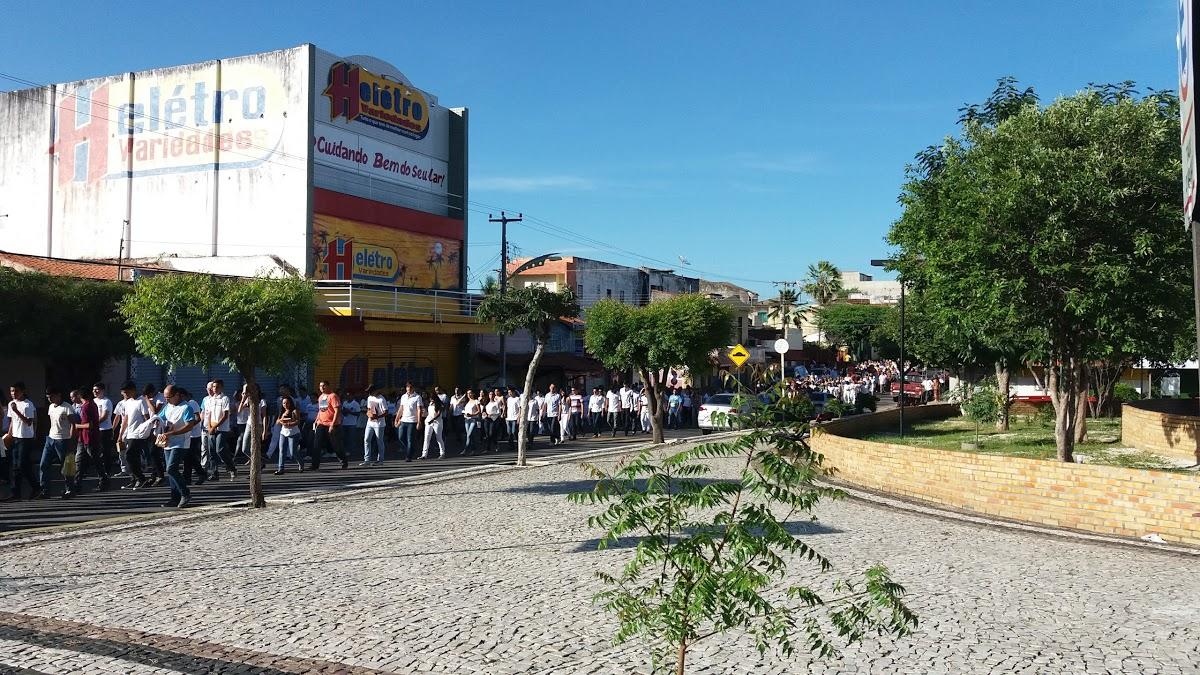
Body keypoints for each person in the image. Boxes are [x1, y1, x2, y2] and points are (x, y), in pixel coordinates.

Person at [156, 385, 199, 508]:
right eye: (165, 397)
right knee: (170, 471)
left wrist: (172, 432)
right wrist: (155, 421)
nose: (166, 400)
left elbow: (189, 425)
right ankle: (174, 498)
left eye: (168, 397)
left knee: (171, 469)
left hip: (180, 443)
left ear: (177, 395)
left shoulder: (186, 407)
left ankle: (185, 493)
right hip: (168, 442)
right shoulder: (168, 406)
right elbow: (160, 416)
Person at [114, 381, 152, 490]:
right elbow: (125, 419)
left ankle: (141, 478)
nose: (124, 395)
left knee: (129, 456)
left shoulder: (141, 401)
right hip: (129, 433)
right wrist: (120, 434)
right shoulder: (128, 403)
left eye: (126, 392)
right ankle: (134, 479)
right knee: (132, 457)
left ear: (133, 390)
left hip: (138, 434)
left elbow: (146, 418)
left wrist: (147, 431)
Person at [36, 388, 74, 499]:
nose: (50, 399)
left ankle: (69, 489)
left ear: (58, 395)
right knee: (44, 464)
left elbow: (73, 424)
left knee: (66, 466)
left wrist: (71, 441)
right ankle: (45, 490)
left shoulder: (67, 407)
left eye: (51, 396)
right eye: (48, 397)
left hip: (63, 439)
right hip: (51, 438)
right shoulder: (51, 407)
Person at [71, 388, 108, 493]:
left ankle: (104, 480)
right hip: (83, 438)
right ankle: (77, 484)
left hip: (89, 437)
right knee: (80, 461)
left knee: (95, 460)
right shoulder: (89, 405)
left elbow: (89, 424)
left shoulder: (87, 407)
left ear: (80, 396)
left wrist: (76, 425)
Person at [311, 380, 347, 471]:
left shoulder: (333, 396)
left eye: (324, 386)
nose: (322, 388)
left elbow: (337, 411)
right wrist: (316, 421)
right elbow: (321, 410)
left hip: (332, 424)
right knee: (316, 444)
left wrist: (332, 424)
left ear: (328, 386)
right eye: (320, 386)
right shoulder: (321, 397)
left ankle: (343, 461)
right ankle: (315, 465)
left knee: (336, 445)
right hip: (321, 423)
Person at [207, 380, 235, 480]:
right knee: (211, 451)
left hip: (222, 428)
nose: (215, 389)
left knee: (220, 449)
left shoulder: (224, 399)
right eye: (214, 387)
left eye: (217, 387)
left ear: (221, 388)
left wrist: (215, 426)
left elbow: (225, 415)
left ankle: (231, 466)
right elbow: (209, 414)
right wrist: (210, 427)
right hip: (212, 427)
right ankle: (214, 473)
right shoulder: (210, 400)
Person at [92, 383, 117, 477]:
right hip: (95, 429)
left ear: (102, 390)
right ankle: (100, 471)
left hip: (105, 430)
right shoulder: (93, 401)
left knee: (105, 451)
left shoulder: (106, 401)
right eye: (93, 389)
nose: (94, 391)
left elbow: (104, 416)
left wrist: (93, 424)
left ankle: (107, 471)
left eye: (97, 389)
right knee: (96, 451)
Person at [275, 395, 303, 475]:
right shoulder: (282, 411)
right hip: (283, 432)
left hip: (293, 433)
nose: (285, 405)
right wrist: (281, 421)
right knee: (282, 451)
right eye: (284, 403)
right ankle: (281, 468)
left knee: (292, 451)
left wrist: (289, 423)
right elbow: (278, 421)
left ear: (290, 403)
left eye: (287, 403)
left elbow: (298, 421)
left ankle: (301, 463)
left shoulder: (294, 411)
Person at [362, 385, 388, 466]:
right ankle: (367, 459)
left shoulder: (381, 399)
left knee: (379, 441)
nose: (370, 393)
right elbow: (369, 409)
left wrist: (378, 417)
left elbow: (386, 411)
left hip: (379, 424)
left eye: (371, 391)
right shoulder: (370, 397)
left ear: (376, 391)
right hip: (370, 422)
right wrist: (368, 413)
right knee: (366, 439)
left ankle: (380, 460)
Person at [395, 383, 422, 462]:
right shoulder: (403, 396)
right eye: (407, 387)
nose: (409, 388)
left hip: (412, 421)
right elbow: (401, 408)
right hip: (403, 420)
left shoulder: (417, 397)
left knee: (410, 439)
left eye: (410, 387)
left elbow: (419, 410)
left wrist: (419, 422)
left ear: (413, 388)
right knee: (401, 437)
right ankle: (411, 448)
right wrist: (397, 418)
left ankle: (408, 456)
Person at [421, 391, 446, 459]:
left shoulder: (439, 404)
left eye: (432, 398)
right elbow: (429, 413)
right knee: (426, 438)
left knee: (439, 438)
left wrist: (432, 420)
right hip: (429, 421)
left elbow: (438, 414)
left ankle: (442, 453)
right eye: (430, 398)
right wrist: (424, 414)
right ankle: (424, 455)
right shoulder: (430, 403)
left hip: (437, 422)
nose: (431, 399)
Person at [462, 390, 482, 456]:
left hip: (473, 419)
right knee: (471, 436)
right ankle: (473, 450)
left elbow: (479, 411)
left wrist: (472, 415)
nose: (469, 394)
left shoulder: (476, 401)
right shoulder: (467, 402)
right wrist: (465, 414)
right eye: (468, 393)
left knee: (469, 435)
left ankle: (465, 449)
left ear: (473, 393)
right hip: (467, 420)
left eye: (470, 393)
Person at [341, 390, 360, 459]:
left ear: (352, 396)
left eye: (349, 395)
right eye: (347, 395)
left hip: (352, 424)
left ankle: (352, 451)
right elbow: (343, 412)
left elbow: (358, 413)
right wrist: (345, 411)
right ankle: (345, 451)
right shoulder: (345, 403)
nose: (348, 397)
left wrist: (350, 412)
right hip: (344, 423)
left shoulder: (355, 404)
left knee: (351, 438)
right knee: (344, 438)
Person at [449, 387, 467, 452]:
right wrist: (450, 412)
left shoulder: (463, 397)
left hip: (460, 414)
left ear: (460, 391)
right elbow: (451, 405)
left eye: (458, 390)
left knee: (458, 427)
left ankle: (460, 439)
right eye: (455, 390)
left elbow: (459, 403)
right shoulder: (452, 397)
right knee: (455, 427)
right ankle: (458, 438)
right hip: (454, 414)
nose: (456, 391)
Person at [504, 387, 521, 453]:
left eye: (510, 392)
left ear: (514, 392)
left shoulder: (517, 399)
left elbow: (520, 408)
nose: (509, 393)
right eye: (508, 392)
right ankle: (511, 445)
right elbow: (507, 408)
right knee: (509, 433)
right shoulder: (508, 399)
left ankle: (519, 443)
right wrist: (506, 417)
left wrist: (519, 417)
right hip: (509, 418)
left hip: (515, 418)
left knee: (514, 432)